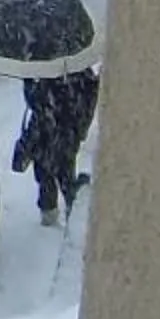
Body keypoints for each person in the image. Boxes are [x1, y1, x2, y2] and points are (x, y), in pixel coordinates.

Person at [15, 66, 100, 224]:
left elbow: (35, 103)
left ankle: (55, 212)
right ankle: (70, 212)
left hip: (52, 132)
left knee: (50, 175)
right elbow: (90, 96)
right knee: (62, 174)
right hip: (65, 133)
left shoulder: (46, 71)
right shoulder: (79, 70)